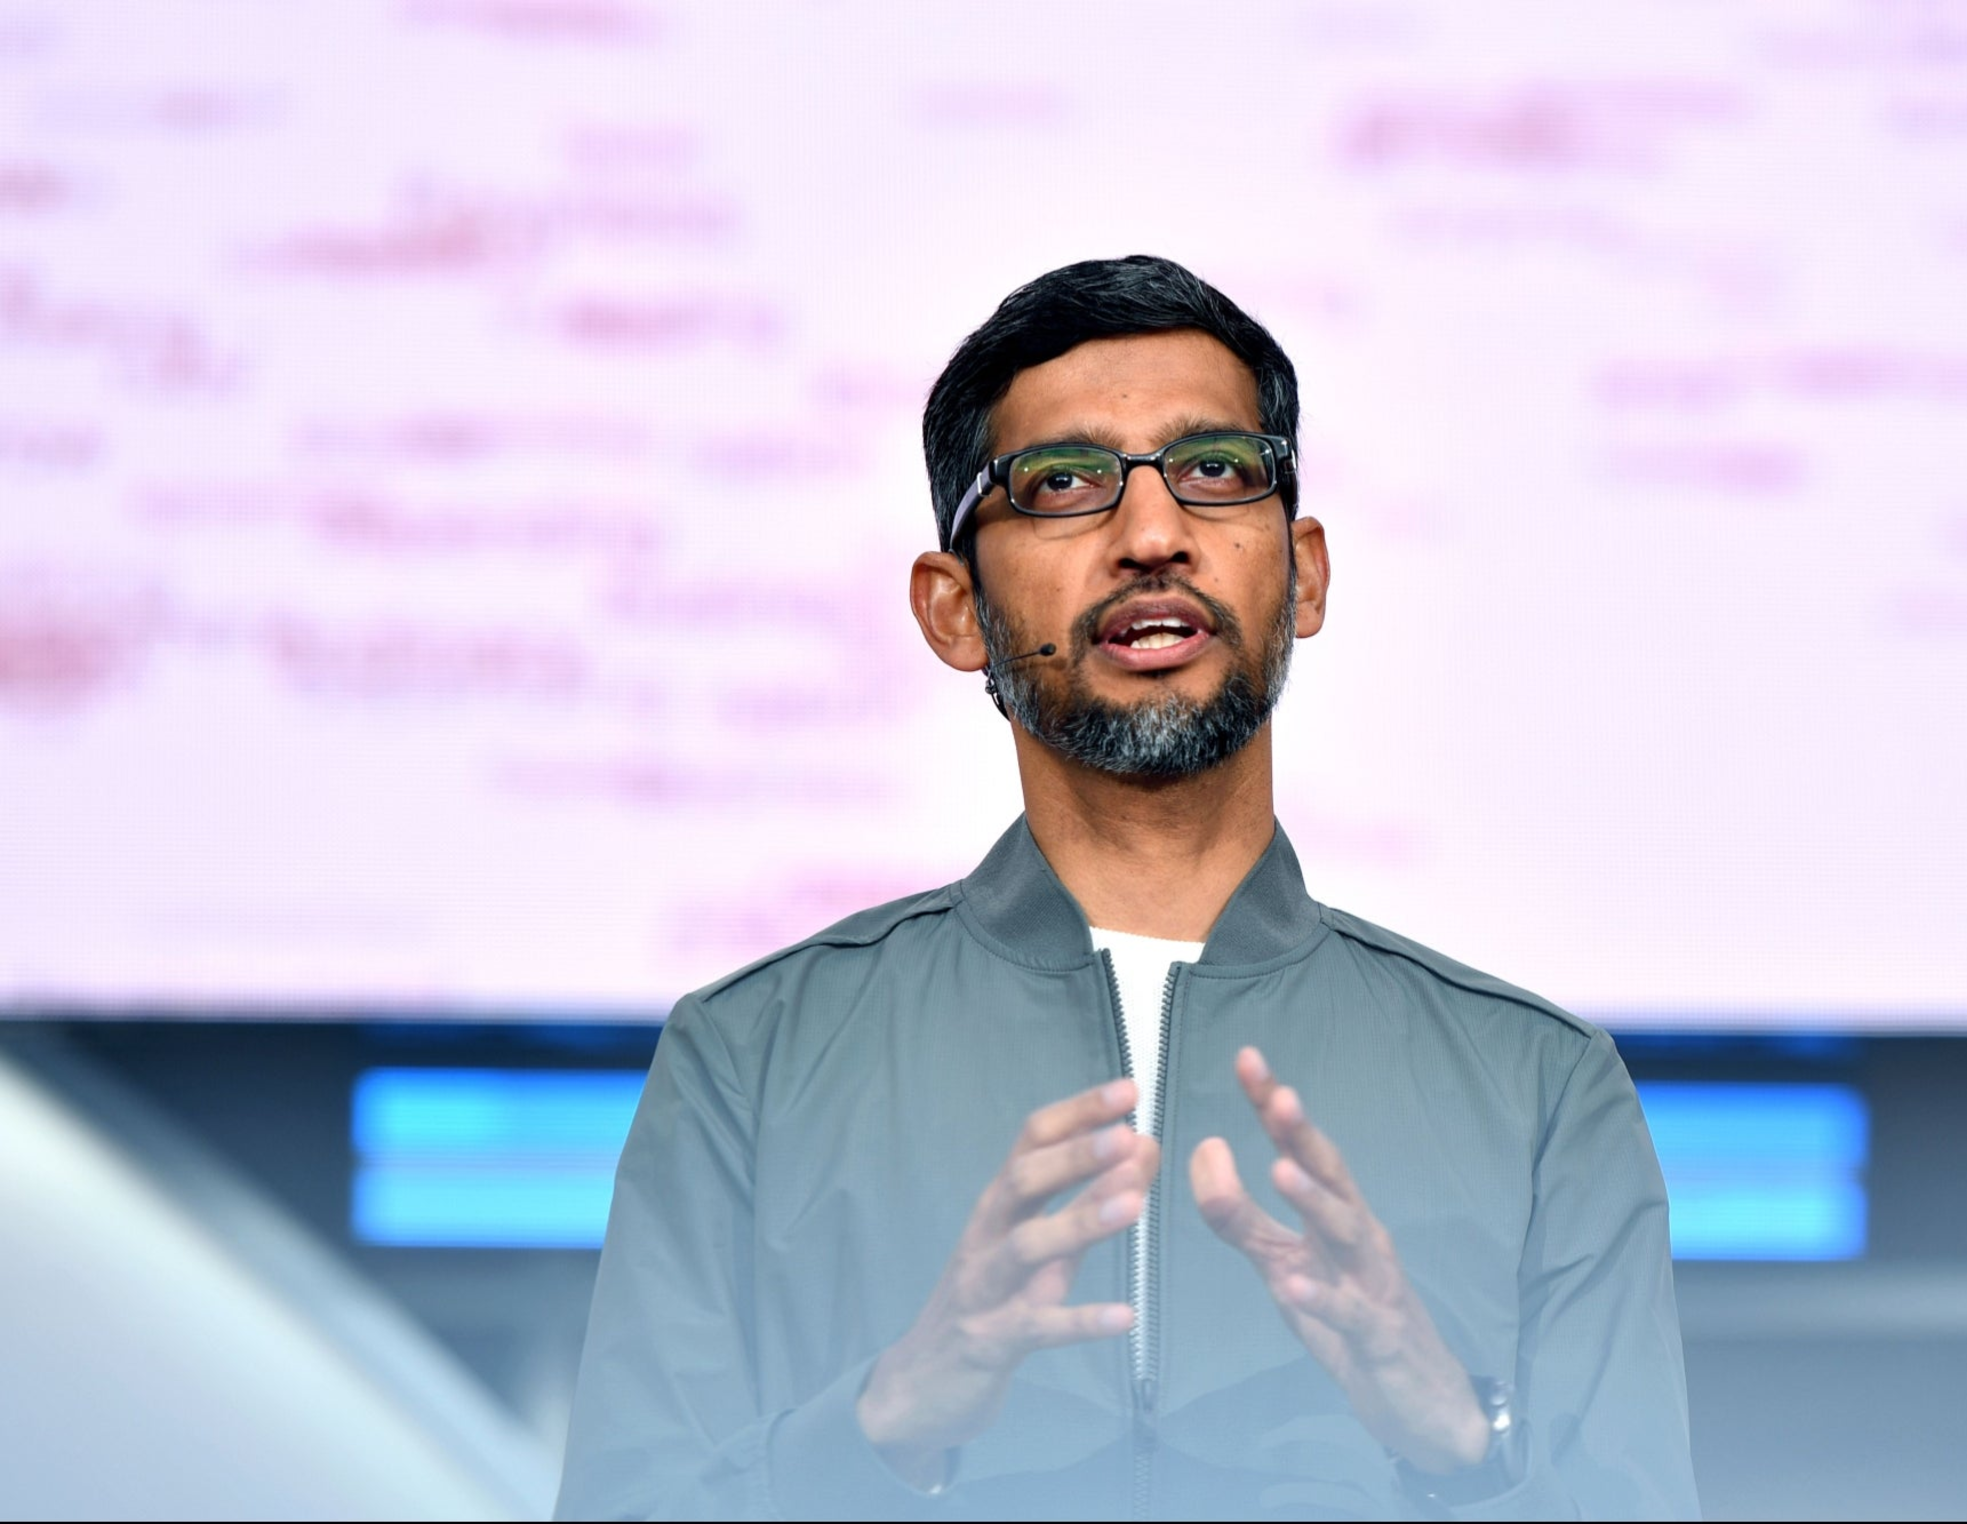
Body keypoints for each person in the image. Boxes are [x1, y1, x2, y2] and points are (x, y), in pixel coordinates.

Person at [555, 255, 1697, 1520]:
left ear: (1305, 574)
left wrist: (1460, 1448)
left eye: (1216, 469)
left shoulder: (1542, 1094)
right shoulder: (751, 1062)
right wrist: (884, 1426)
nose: (1154, 537)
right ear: (954, 611)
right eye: (1062, 483)